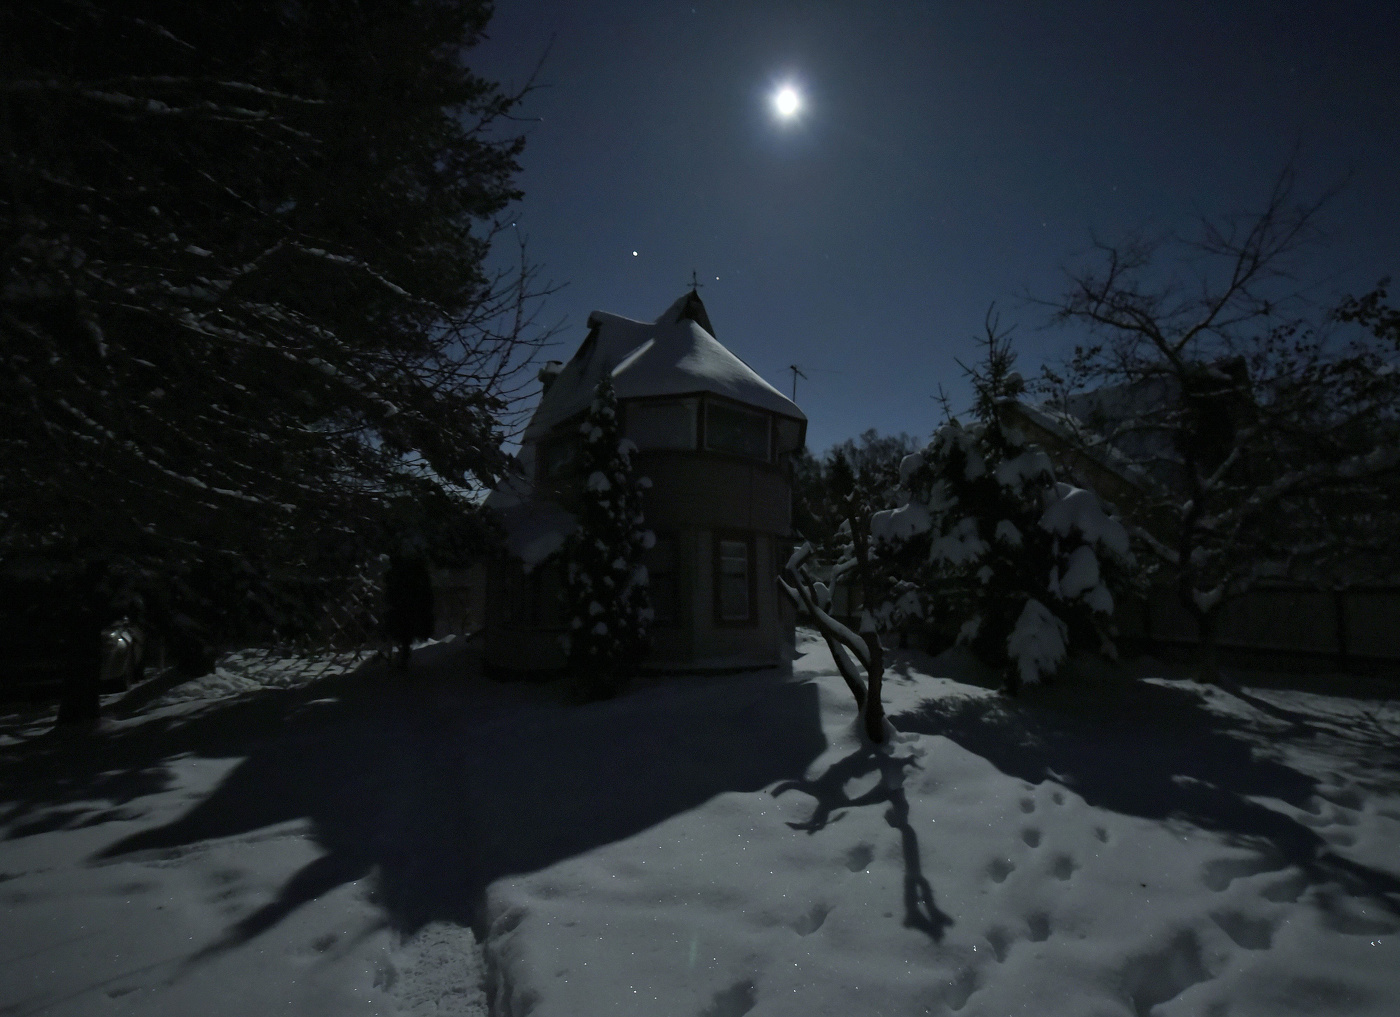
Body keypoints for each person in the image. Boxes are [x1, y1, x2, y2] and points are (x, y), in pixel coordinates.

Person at [384, 552, 434, 669]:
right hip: (406, 607)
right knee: (404, 631)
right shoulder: (416, 573)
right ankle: (403, 654)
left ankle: (404, 654)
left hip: (406, 607)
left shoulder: (406, 574)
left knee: (404, 631)